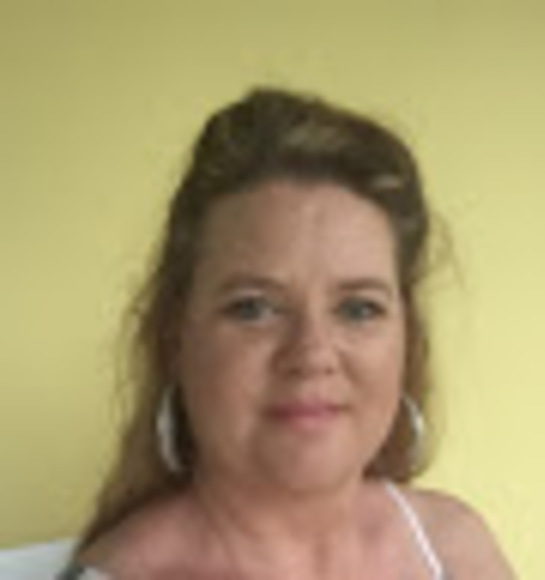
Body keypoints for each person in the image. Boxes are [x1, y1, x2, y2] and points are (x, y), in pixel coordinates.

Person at [60, 87, 515, 579]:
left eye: (359, 309)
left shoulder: (454, 547)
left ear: (408, 338)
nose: (312, 354)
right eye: (253, 308)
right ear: (175, 339)